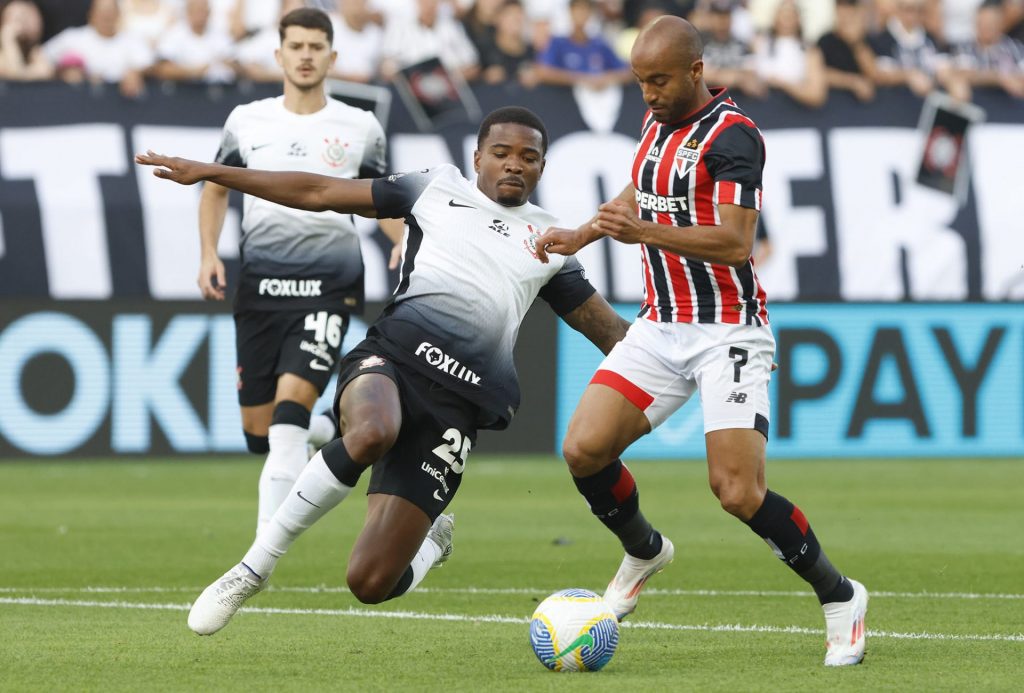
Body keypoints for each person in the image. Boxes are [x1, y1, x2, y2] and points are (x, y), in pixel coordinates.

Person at [136, 105, 630, 635]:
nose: (514, 165)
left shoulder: (552, 243)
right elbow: (318, 192)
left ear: (542, 168)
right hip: (390, 361)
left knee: (371, 583)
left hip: (455, 408)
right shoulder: (434, 188)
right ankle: (254, 568)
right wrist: (213, 173)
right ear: (477, 157)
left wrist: (696, 355)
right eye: (502, 153)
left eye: (528, 158)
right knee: (373, 430)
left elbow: (613, 337)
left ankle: (432, 543)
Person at [537, 15, 868, 667]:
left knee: (737, 492)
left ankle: (840, 595)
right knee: (583, 448)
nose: (647, 94)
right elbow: (646, 187)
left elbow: (736, 240)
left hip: (728, 332)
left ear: (696, 71)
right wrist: (586, 231)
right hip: (661, 325)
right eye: (638, 82)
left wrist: (646, 234)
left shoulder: (735, 135)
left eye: (657, 80)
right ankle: (644, 548)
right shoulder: (658, 117)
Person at [196, 7, 397, 536]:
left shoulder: (360, 128)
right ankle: (330, 426)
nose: (306, 56)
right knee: (259, 433)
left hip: (328, 288)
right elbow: (216, 187)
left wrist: (402, 245)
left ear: (333, 56)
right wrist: (208, 253)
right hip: (260, 289)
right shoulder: (246, 119)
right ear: (278, 54)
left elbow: (383, 201)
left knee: (284, 428)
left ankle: (258, 559)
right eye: (297, 46)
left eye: (315, 47)